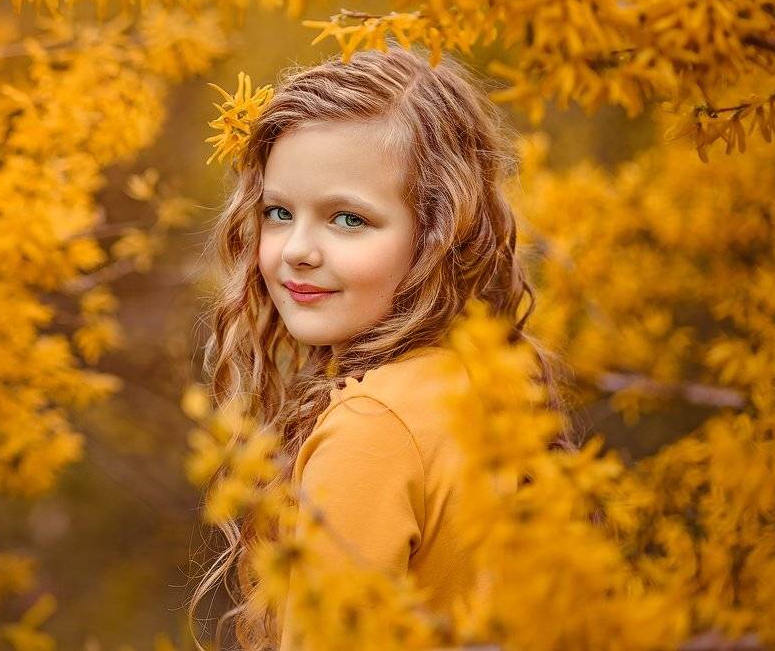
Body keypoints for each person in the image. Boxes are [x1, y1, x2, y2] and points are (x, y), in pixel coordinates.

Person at [188, 42, 572, 651]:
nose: (297, 250)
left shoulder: (373, 427)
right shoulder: (475, 382)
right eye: (279, 212)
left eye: (348, 219)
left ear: (439, 235)